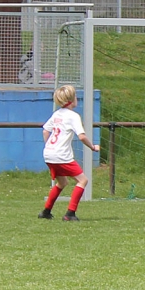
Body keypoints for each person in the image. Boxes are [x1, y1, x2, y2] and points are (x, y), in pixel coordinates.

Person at [38, 84, 100, 221]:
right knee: (83, 180)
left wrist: (49, 146)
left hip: (48, 154)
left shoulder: (56, 114)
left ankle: (46, 212)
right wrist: (92, 147)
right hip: (61, 155)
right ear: (71, 100)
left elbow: (45, 131)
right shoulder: (73, 116)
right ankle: (70, 213)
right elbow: (82, 136)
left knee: (62, 182)